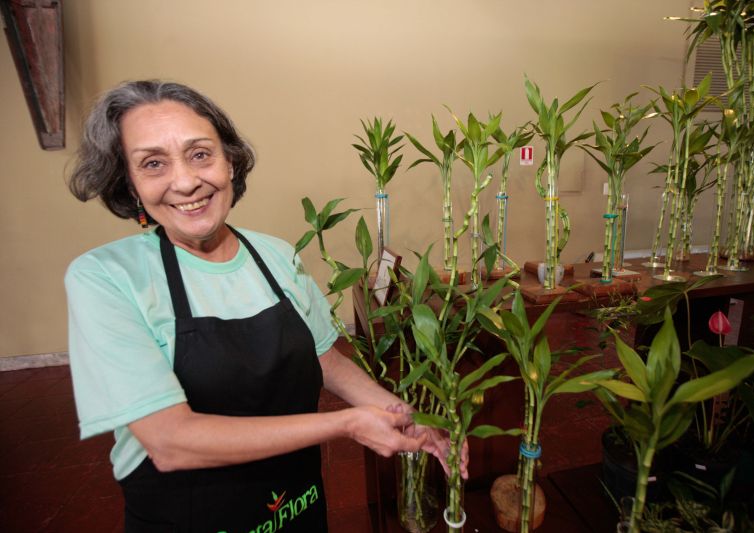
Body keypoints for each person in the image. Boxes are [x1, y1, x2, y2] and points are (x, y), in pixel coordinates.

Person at [65, 80, 465, 532]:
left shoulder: (276, 254)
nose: (186, 181)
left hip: (295, 506)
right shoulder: (106, 277)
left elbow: (326, 361)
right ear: (130, 184)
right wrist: (347, 425)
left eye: (200, 154)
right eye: (153, 163)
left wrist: (408, 419)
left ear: (230, 162)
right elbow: (171, 442)